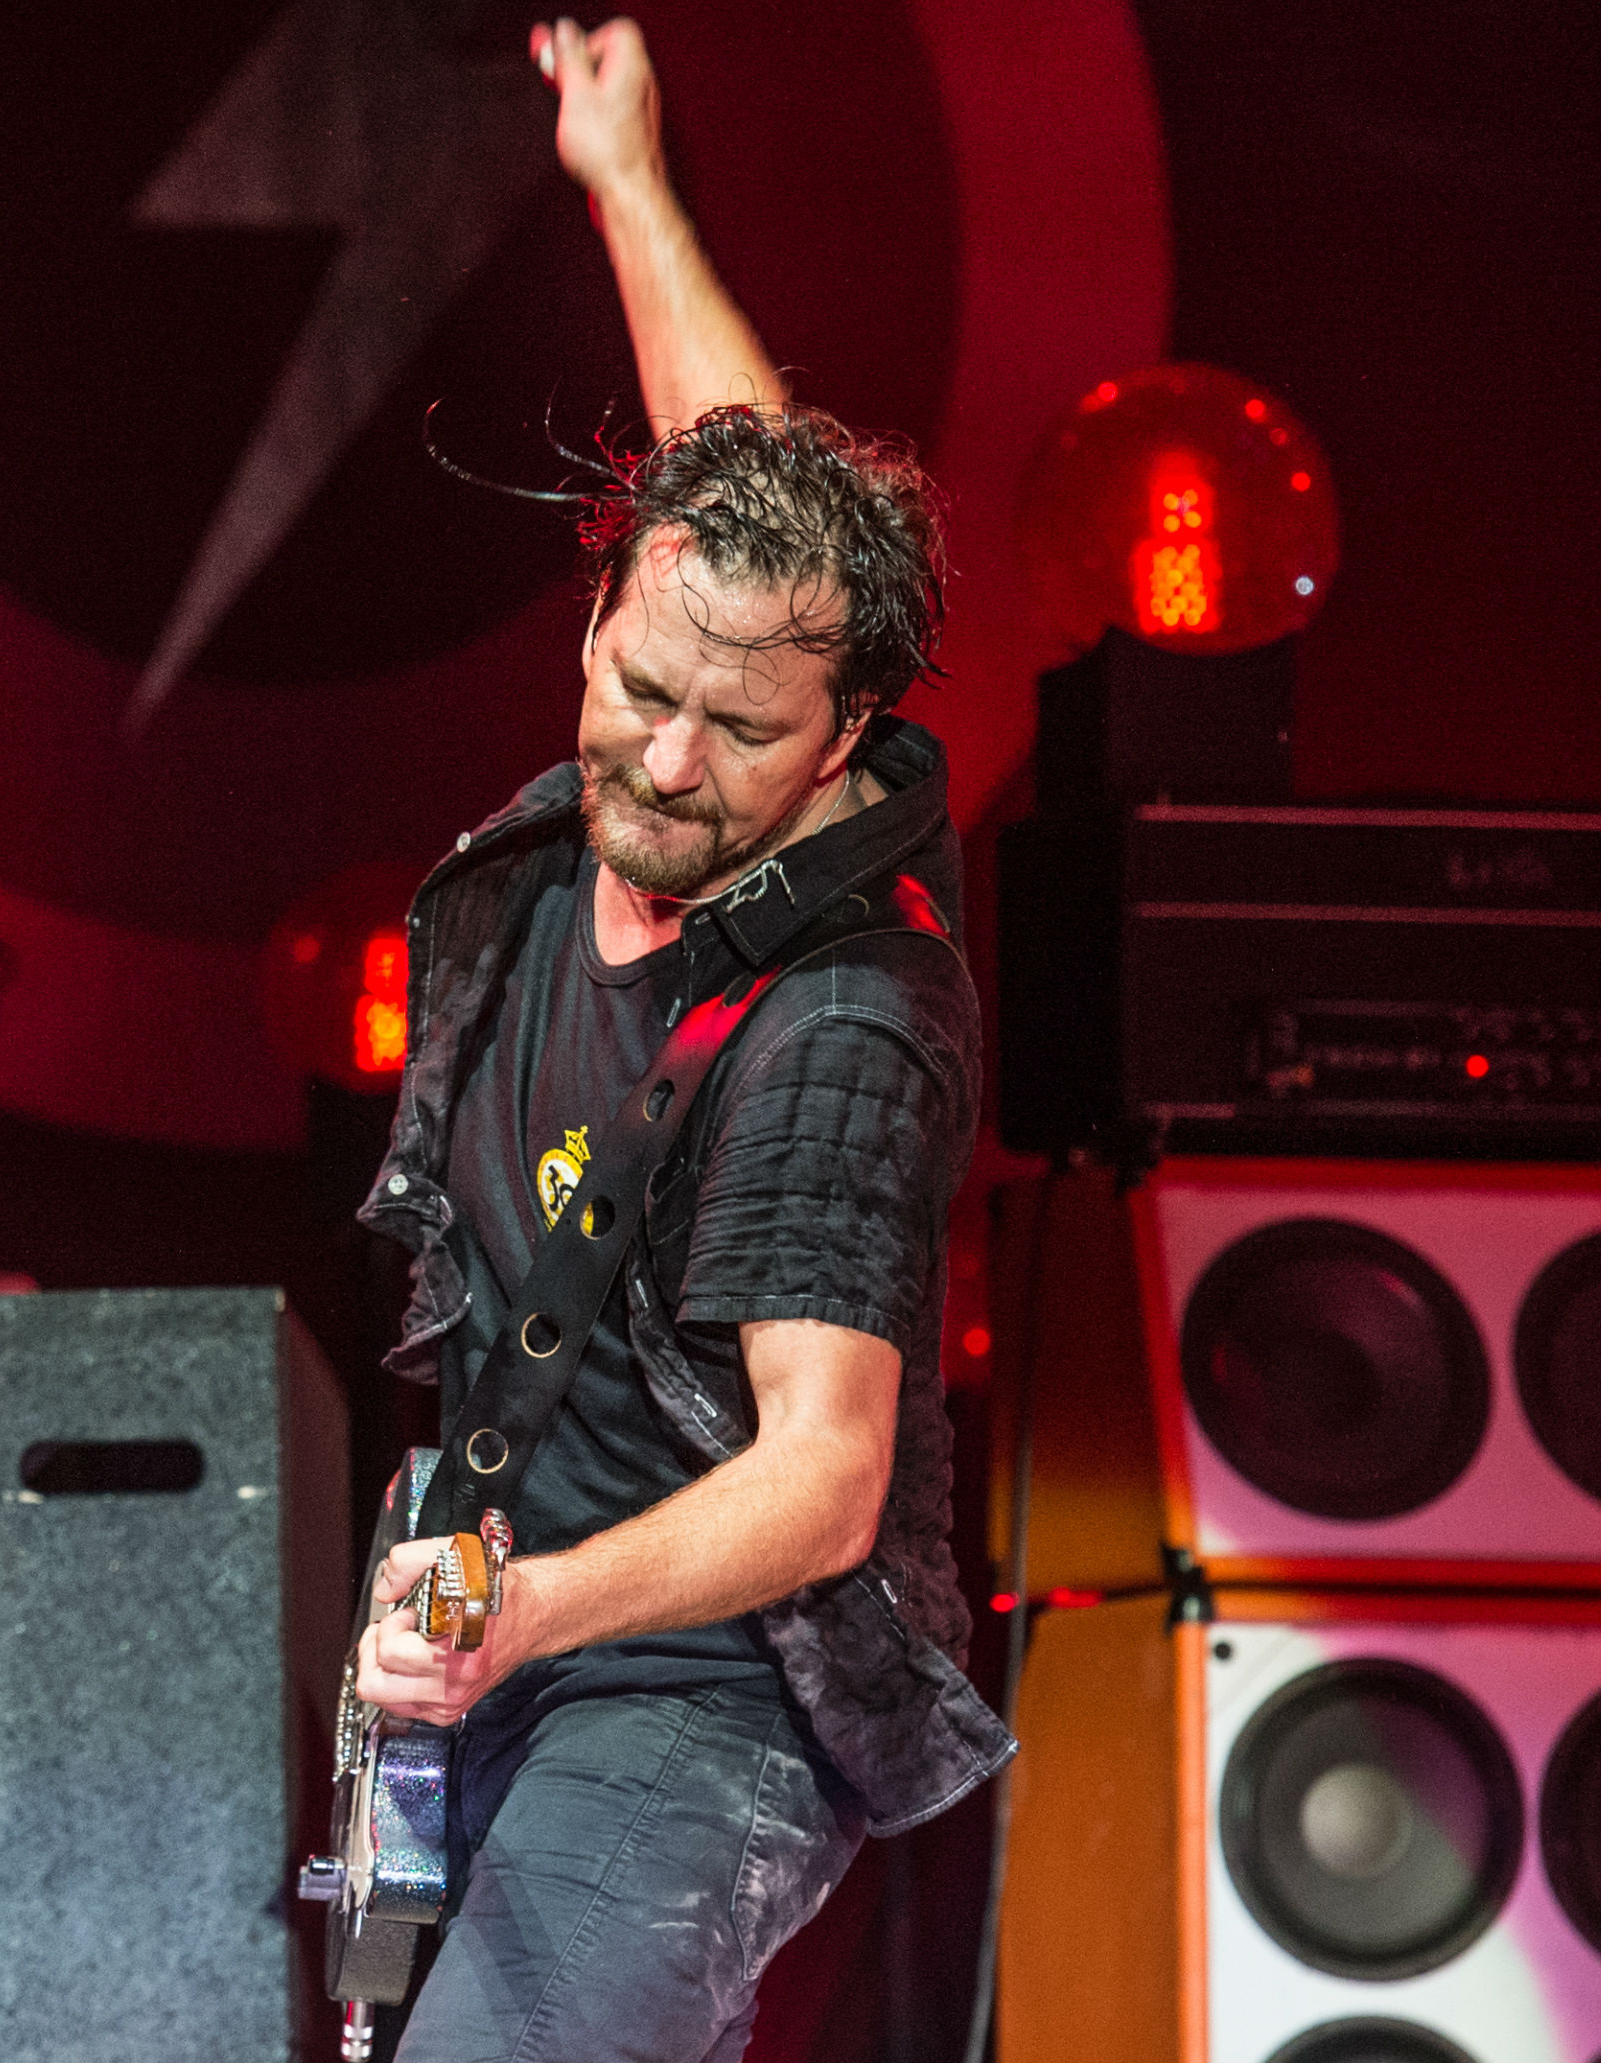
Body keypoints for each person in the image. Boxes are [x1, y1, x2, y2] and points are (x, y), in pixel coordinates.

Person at [344, 20, 1011, 2061]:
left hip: (713, 1685)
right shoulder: (719, 613)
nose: (663, 750)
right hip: (490, 1613)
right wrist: (622, 171)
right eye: (640, 679)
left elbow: (823, 1478)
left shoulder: (841, 1025)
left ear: (847, 747)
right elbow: (746, 475)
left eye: (737, 731)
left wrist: (523, 1610)